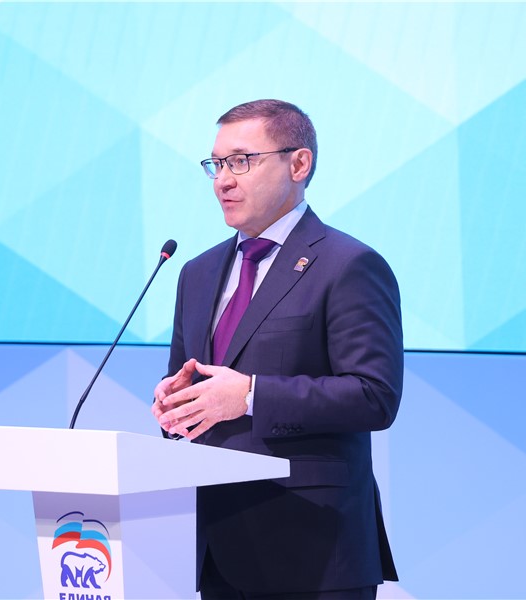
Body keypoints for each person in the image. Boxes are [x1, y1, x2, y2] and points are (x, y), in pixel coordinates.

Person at [152, 99, 403, 600]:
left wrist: (250, 395)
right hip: (218, 552)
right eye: (216, 164)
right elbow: (195, 389)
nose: (223, 180)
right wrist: (175, 406)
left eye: (241, 161)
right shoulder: (196, 273)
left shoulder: (348, 265)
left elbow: (374, 396)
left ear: (298, 164)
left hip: (314, 551)